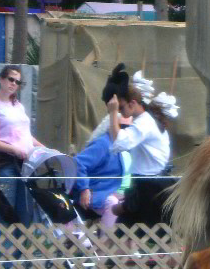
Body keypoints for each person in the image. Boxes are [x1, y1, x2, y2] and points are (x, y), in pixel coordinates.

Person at [0, 65, 43, 225]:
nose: (14, 84)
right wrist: (12, 149)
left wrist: (43, 148)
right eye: (11, 79)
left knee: (26, 211)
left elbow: (25, 135)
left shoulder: (18, 105)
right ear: (0, 79)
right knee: (7, 210)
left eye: (18, 82)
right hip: (3, 164)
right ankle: (5, 250)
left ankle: (22, 250)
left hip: (25, 164)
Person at [107, 83, 177, 227]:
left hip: (150, 188)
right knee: (124, 234)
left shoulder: (145, 122)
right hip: (147, 184)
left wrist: (112, 113)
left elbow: (120, 143)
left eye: (121, 107)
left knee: (150, 238)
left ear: (132, 103)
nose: (120, 111)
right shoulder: (146, 120)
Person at [71, 130, 125, 227]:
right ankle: (103, 241)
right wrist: (84, 188)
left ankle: (130, 241)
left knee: (135, 203)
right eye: (124, 127)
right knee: (113, 203)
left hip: (121, 193)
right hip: (98, 192)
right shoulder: (103, 143)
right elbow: (78, 163)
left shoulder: (130, 145)